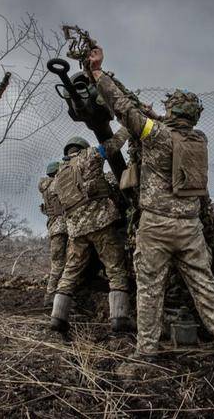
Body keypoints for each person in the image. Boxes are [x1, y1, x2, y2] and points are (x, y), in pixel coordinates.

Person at [87, 46, 214, 360]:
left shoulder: (156, 136)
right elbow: (164, 127)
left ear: (172, 113)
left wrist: (98, 72)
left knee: (150, 288)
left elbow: (122, 108)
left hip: (155, 226)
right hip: (190, 226)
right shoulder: (199, 139)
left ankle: (147, 350)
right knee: (203, 282)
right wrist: (154, 115)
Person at [49, 136, 132, 333]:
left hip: (76, 230)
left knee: (70, 271)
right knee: (115, 269)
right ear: (82, 148)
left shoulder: (59, 173)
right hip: (100, 223)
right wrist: (129, 124)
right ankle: (119, 318)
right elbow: (113, 144)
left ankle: (57, 318)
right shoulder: (90, 155)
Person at [38, 161, 68, 307]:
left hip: (53, 228)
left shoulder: (45, 187)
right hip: (62, 227)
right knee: (61, 264)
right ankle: (53, 296)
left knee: (57, 262)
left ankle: (51, 295)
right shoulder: (57, 184)